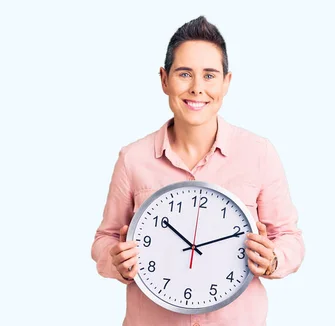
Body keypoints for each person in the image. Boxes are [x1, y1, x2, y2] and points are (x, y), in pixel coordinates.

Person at [91, 15, 305, 326]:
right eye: (184, 74)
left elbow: (290, 237)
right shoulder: (133, 158)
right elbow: (105, 238)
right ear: (164, 80)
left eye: (209, 75)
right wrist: (114, 260)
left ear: (226, 83)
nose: (196, 88)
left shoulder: (259, 153)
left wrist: (272, 259)